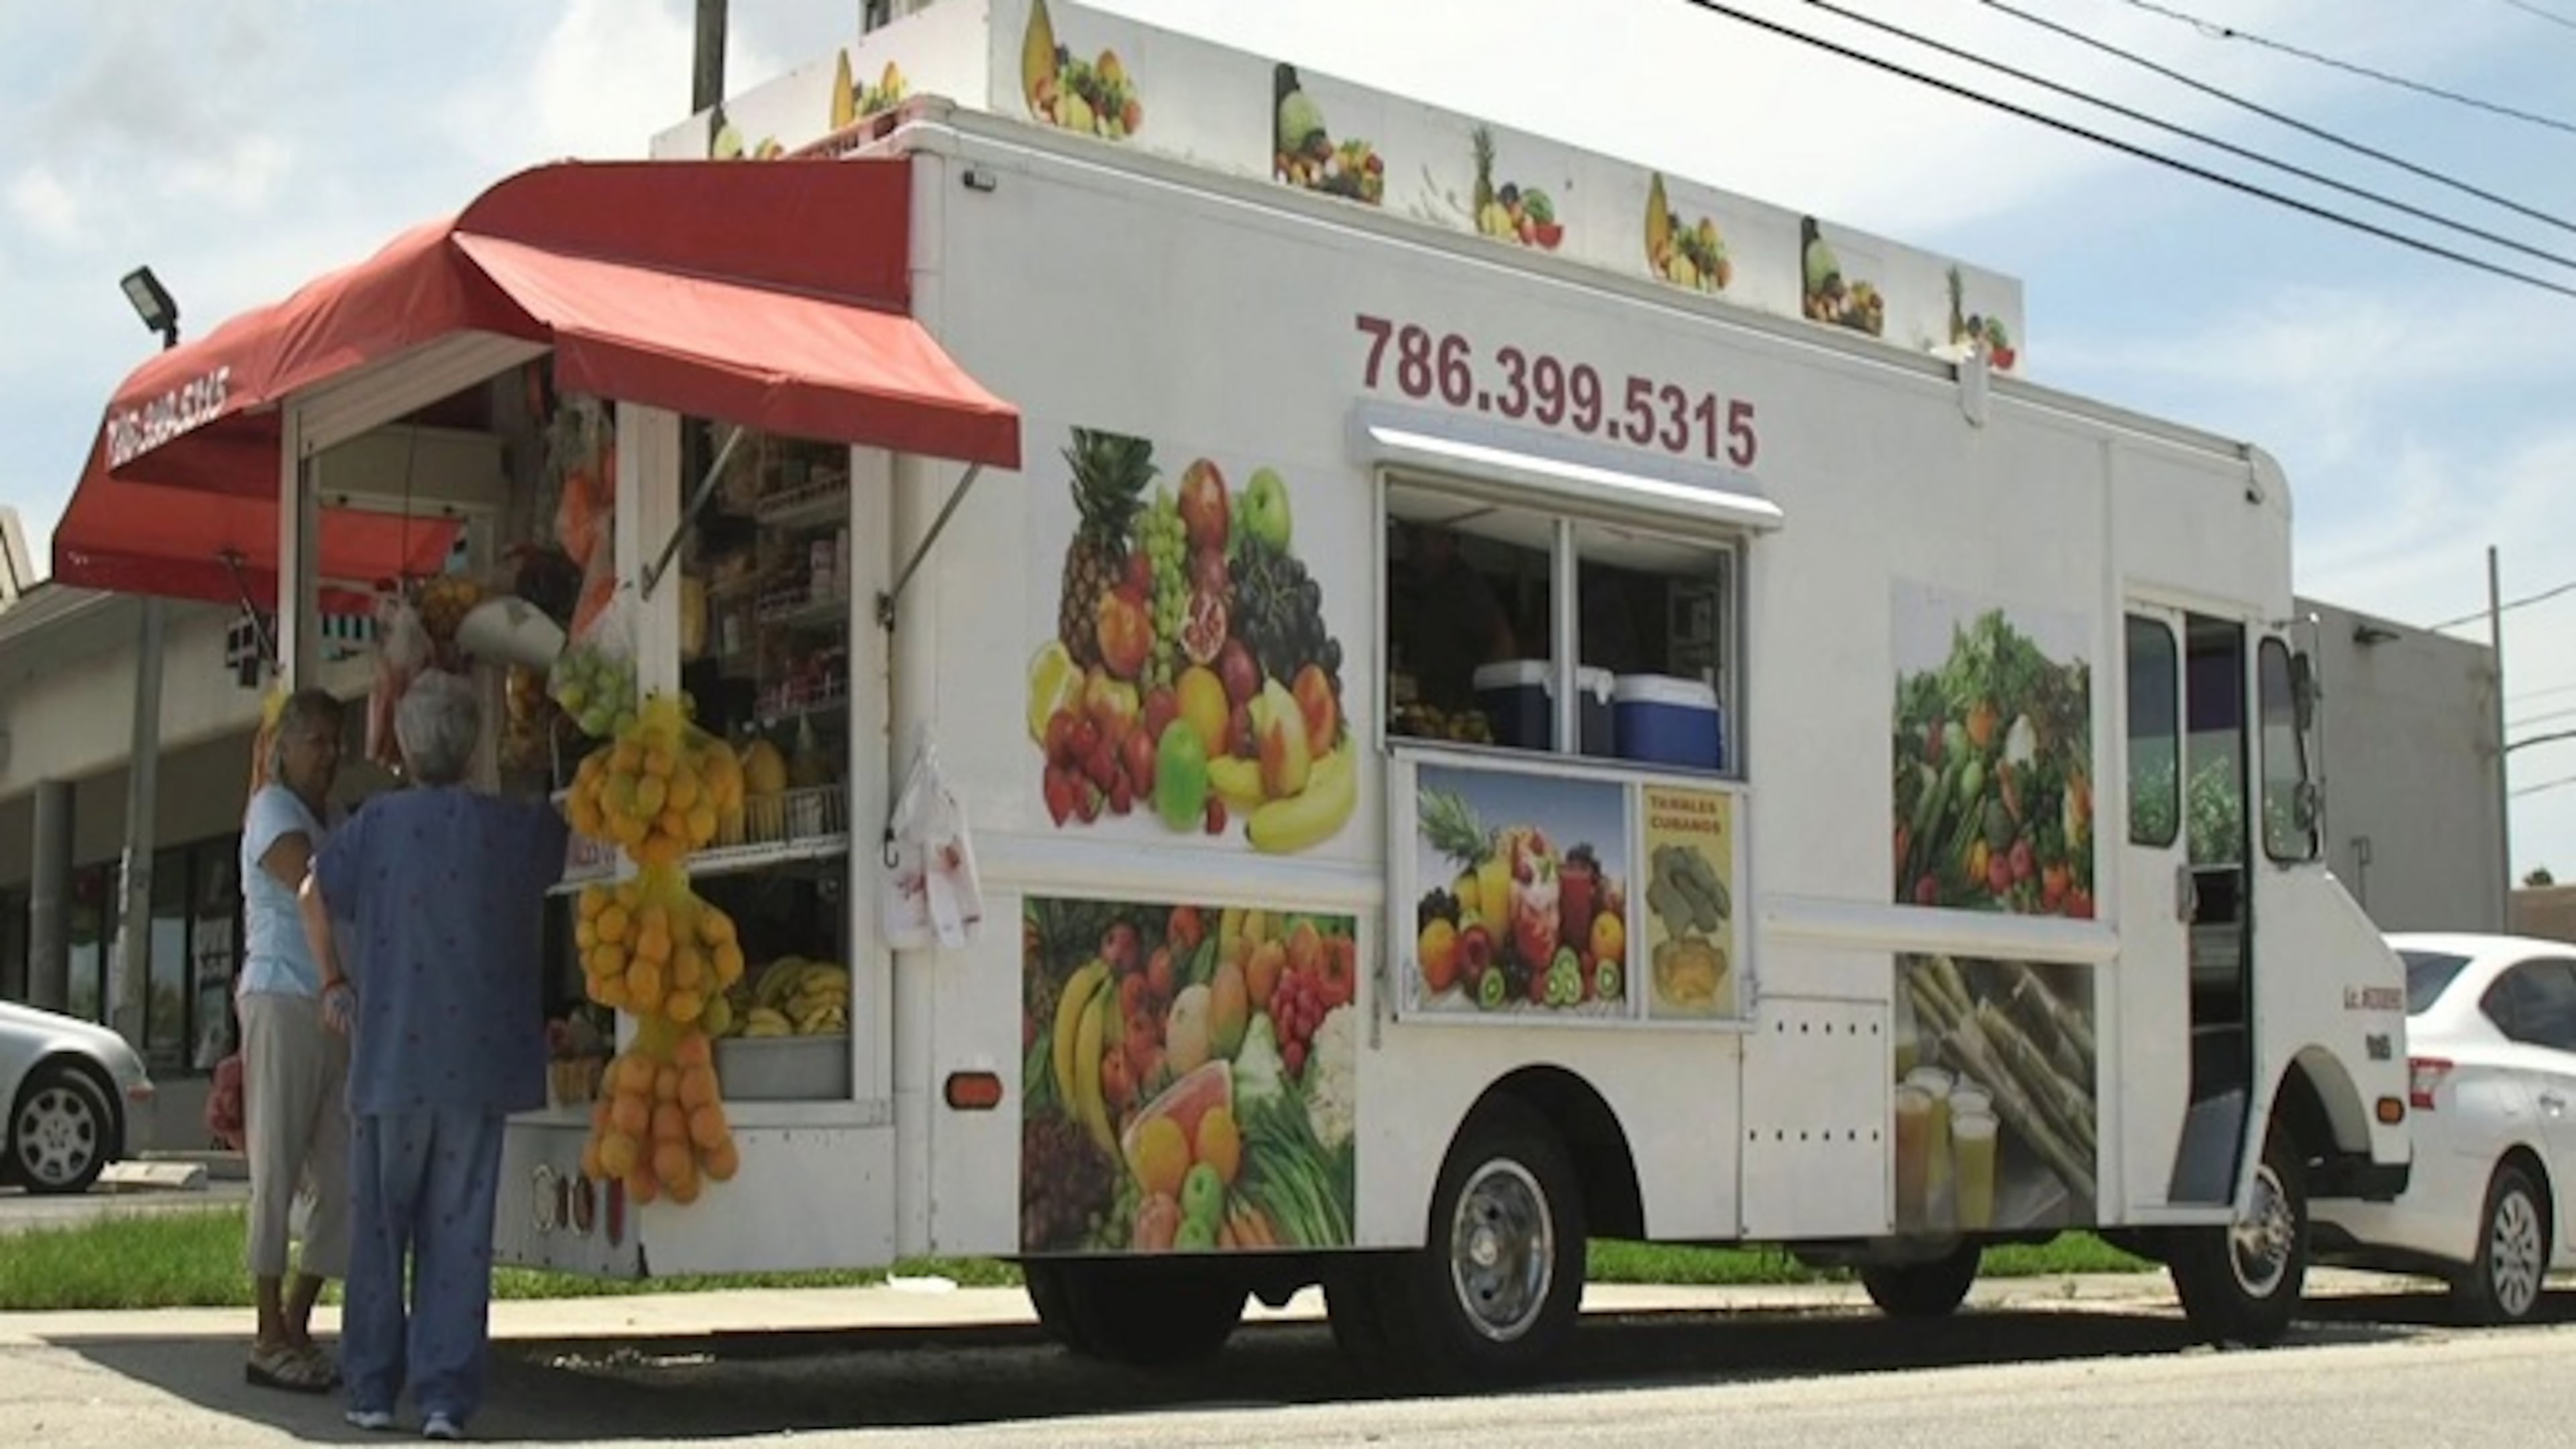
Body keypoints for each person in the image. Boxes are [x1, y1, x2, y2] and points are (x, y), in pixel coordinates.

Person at [302, 669, 570, 1441]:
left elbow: (311, 892)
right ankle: (446, 1401)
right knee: (459, 1232)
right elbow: (568, 836)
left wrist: (333, 980)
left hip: (388, 1057)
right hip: (479, 1061)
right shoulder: (510, 828)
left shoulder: (377, 826)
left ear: (406, 748)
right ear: (474, 745)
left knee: (381, 1228)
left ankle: (373, 1390)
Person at [236, 687, 353, 1394]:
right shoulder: (273, 811)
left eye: (338, 743)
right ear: (286, 747)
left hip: (334, 1008)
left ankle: (298, 1319)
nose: (331, 756)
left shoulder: (334, 817)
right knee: (276, 1168)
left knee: (342, 1178)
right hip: (284, 994)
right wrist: (336, 972)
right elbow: (312, 887)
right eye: (319, 742)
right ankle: (265, 1331)